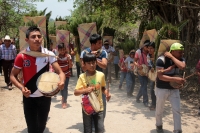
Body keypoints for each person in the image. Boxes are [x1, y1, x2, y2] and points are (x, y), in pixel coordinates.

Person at [10, 26, 65, 133]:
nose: (37, 39)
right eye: (33, 37)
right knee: (32, 128)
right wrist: (22, 88)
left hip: (45, 97)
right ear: (27, 40)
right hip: (29, 97)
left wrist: (62, 81)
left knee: (41, 126)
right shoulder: (21, 56)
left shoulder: (49, 54)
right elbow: (12, 76)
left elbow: (60, 72)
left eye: (39, 36)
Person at [74, 53, 111, 133]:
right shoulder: (82, 77)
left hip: (99, 107)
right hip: (87, 107)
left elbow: (103, 87)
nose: (92, 65)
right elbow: (76, 92)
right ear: (84, 64)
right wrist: (85, 90)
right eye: (89, 63)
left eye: (93, 62)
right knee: (88, 130)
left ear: (96, 62)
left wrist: (107, 93)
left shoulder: (101, 75)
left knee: (100, 129)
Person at [155, 43, 185, 133]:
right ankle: (159, 125)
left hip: (174, 89)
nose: (181, 54)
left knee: (177, 110)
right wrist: (175, 79)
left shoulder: (181, 59)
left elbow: (182, 66)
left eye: (182, 52)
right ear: (172, 51)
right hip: (161, 88)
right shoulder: (161, 60)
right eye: (179, 52)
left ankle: (177, 130)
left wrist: (172, 57)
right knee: (160, 108)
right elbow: (160, 76)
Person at [80, 34, 108, 127]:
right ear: (93, 44)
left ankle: (99, 124)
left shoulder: (103, 52)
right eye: (99, 43)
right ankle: (90, 124)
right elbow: (83, 68)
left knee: (102, 102)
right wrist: (91, 56)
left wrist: (95, 58)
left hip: (99, 81)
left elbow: (104, 65)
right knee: (88, 102)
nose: (101, 44)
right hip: (87, 82)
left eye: (101, 42)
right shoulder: (84, 52)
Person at [134, 40, 150, 107]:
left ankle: (137, 97)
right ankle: (145, 101)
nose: (149, 49)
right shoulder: (138, 52)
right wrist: (138, 66)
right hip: (140, 71)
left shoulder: (149, 52)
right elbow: (134, 61)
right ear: (144, 47)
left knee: (144, 85)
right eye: (147, 47)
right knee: (144, 85)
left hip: (147, 71)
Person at [57, 43, 72, 109]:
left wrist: (68, 60)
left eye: (63, 50)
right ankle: (63, 97)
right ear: (58, 50)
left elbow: (71, 66)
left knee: (65, 87)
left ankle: (64, 102)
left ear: (65, 49)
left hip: (67, 74)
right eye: (61, 50)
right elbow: (55, 67)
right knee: (61, 87)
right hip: (59, 75)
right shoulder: (56, 57)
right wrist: (56, 60)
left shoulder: (68, 56)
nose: (62, 51)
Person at [147, 42, 156, 110]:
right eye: (148, 48)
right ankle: (153, 104)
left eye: (151, 48)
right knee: (152, 90)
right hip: (152, 76)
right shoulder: (148, 56)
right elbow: (149, 65)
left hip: (159, 75)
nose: (149, 50)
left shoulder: (158, 56)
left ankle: (157, 105)